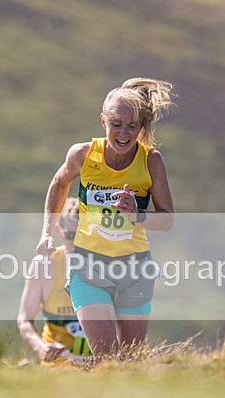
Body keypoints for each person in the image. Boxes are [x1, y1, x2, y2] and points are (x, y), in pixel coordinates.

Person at [36, 77, 175, 357]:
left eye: (131, 126)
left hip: (134, 269)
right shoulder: (83, 155)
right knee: (106, 358)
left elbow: (167, 220)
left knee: (131, 360)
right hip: (89, 267)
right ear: (103, 121)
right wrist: (46, 233)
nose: (123, 133)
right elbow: (59, 183)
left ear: (141, 127)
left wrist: (137, 215)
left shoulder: (151, 161)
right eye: (116, 124)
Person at [17, 197, 90, 366]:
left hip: (100, 368)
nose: (76, 243)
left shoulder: (108, 264)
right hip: (57, 367)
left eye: (82, 236)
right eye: (71, 236)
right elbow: (24, 320)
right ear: (58, 231)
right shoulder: (44, 265)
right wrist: (41, 347)